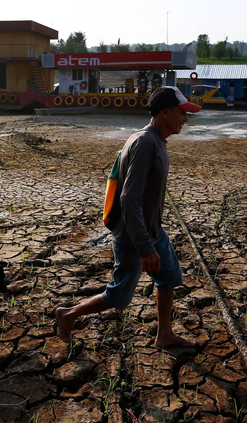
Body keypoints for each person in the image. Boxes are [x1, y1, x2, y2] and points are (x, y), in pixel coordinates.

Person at [56, 86, 202, 347]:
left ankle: (164, 334)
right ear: (165, 112)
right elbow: (129, 198)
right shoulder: (145, 143)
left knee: (169, 278)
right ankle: (68, 314)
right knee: (119, 296)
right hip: (134, 239)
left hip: (153, 232)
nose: (185, 119)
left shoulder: (154, 140)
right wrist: (145, 248)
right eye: (182, 113)